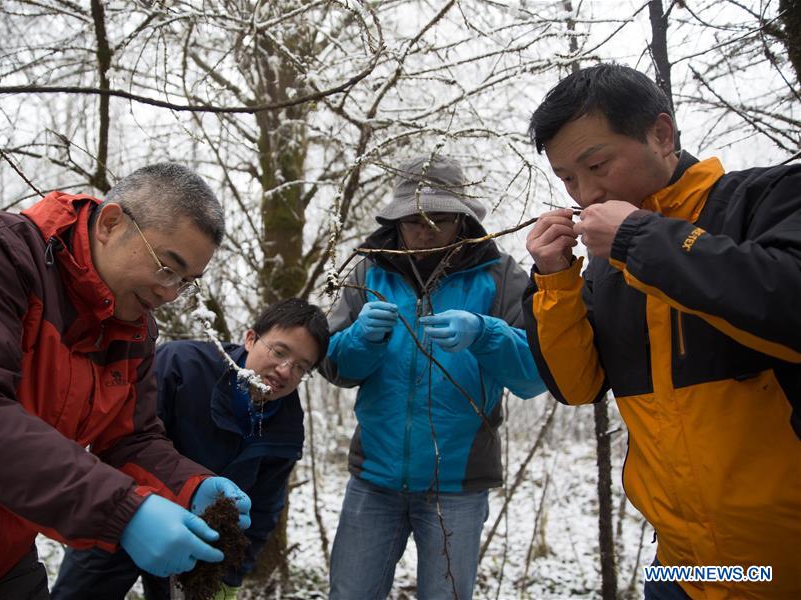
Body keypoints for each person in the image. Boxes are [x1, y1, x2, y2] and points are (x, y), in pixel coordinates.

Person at [0, 163, 253, 600]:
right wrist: (123, 513)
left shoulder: (134, 330)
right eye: (167, 267)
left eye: (186, 282)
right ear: (110, 223)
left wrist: (190, 485)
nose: (169, 292)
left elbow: (130, 439)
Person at [523, 63, 801, 599]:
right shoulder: (607, 266)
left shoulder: (769, 198)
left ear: (662, 134)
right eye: (567, 178)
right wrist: (555, 283)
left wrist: (639, 239)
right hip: (683, 568)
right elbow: (577, 387)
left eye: (596, 164)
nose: (584, 191)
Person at [322, 154, 547, 600]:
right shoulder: (369, 270)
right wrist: (360, 340)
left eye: (438, 219)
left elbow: (534, 376)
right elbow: (334, 366)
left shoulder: (500, 276)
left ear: (463, 219)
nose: (425, 230)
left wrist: (485, 333)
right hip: (374, 478)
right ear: (397, 220)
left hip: (457, 487)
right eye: (413, 220)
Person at [51, 297, 329, 600]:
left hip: (199, 544)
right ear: (251, 339)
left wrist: (230, 578)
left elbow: (262, 508)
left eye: (301, 367)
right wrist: (133, 511)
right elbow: (122, 444)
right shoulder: (180, 366)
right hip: (125, 513)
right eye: (279, 352)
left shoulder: (287, 425)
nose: (285, 371)